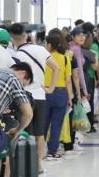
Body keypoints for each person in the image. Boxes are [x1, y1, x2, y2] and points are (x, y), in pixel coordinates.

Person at [8, 23, 57, 164]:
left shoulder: (16, 55)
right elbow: (56, 68)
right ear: (26, 36)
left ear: (12, 39)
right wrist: (51, 88)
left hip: (23, 98)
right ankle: (39, 164)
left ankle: (26, 165)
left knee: (25, 133)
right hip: (40, 96)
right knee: (40, 134)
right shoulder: (41, 49)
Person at [43, 34, 73, 158]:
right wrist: (70, 97)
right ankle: (52, 151)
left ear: (49, 45)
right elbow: (68, 80)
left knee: (43, 123)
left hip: (45, 91)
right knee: (57, 123)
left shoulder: (44, 58)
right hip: (61, 93)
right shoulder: (65, 59)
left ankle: (40, 150)